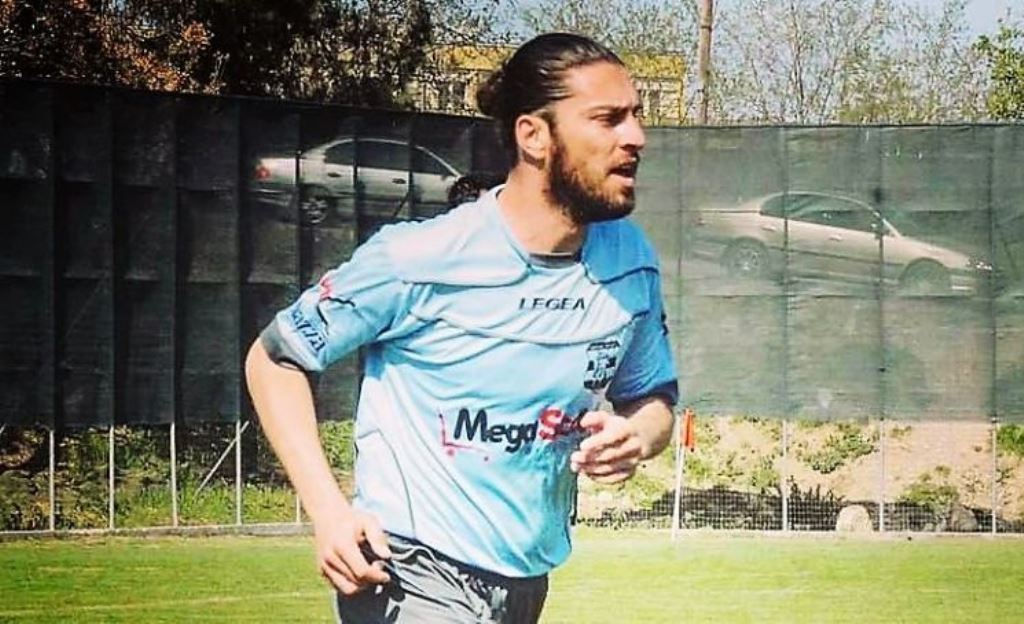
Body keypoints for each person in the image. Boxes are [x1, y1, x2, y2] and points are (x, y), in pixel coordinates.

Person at [245, 32, 678, 623]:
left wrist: (637, 437)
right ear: (533, 135)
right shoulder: (420, 257)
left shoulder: (631, 261)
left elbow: (652, 399)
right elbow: (275, 358)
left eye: (636, 116)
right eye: (608, 119)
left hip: (526, 580)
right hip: (408, 571)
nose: (636, 137)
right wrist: (328, 512)